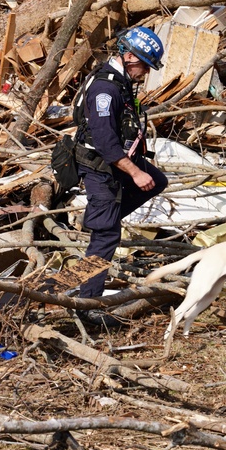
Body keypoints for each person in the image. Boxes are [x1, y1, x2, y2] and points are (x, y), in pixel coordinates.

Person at [73, 26, 169, 326]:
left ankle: (102, 217)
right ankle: (87, 305)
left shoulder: (121, 81)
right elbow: (105, 143)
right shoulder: (106, 89)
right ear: (128, 56)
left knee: (158, 180)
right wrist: (135, 171)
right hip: (101, 167)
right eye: (143, 65)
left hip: (115, 164)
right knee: (107, 235)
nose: (144, 73)